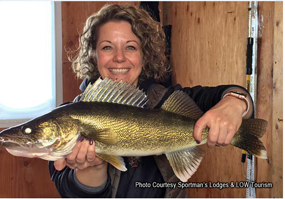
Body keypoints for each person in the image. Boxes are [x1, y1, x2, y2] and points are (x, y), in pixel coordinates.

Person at [49, 4, 254, 198]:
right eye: (107, 47)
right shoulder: (67, 119)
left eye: (130, 47)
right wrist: (93, 168)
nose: (119, 57)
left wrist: (235, 103)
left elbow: (231, 95)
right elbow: (70, 191)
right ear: (93, 55)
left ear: (144, 55)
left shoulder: (167, 100)